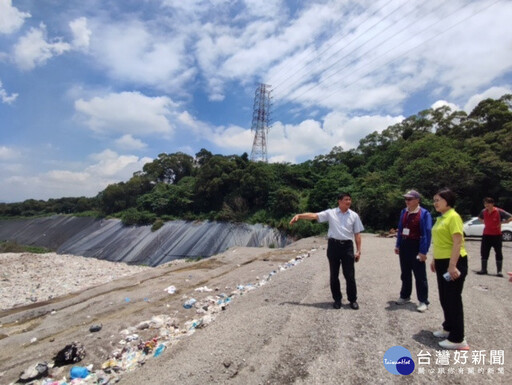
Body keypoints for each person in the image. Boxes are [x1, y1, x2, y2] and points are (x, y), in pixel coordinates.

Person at [289, 192, 364, 310]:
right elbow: (314, 216)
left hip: (347, 247)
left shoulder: (354, 216)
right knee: (334, 275)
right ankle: (337, 299)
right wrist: (299, 216)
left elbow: (357, 234)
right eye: (346, 199)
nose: (348, 202)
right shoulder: (331, 213)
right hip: (333, 245)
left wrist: (359, 251)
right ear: (339, 201)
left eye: (350, 199)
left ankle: (353, 300)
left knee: (349, 275)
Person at [430, 188, 469, 350]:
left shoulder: (453, 217)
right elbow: (439, 241)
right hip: (441, 261)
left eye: (438, 200)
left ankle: (458, 338)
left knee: (453, 298)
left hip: (453, 261)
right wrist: (434, 259)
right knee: (444, 297)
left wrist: (452, 265)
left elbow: (457, 242)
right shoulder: (441, 218)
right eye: (434, 200)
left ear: (448, 200)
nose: (435, 203)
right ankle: (448, 327)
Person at [394, 190, 432, 312]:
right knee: (405, 273)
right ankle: (405, 295)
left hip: (416, 245)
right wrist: (398, 244)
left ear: (417, 200)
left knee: (420, 275)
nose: (407, 201)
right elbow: (400, 229)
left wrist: (423, 251)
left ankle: (423, 300)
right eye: (406, 199)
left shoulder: (424, 214)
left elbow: (426, 233)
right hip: (405, 244)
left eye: (410, 199)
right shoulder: (404, 212)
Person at [476, 197, 512, 277]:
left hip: (496, 235)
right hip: (486, 235)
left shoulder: (499, 211)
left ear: (492, 204)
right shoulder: (483, 211)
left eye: (488, 203)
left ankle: (499, 271)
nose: (486, 205)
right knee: (484, 252)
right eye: (485, 203)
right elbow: (479, 217)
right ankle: (483, 269)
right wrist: (483, 221)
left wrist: (503, 222)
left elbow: (510, 217)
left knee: (498, 252)